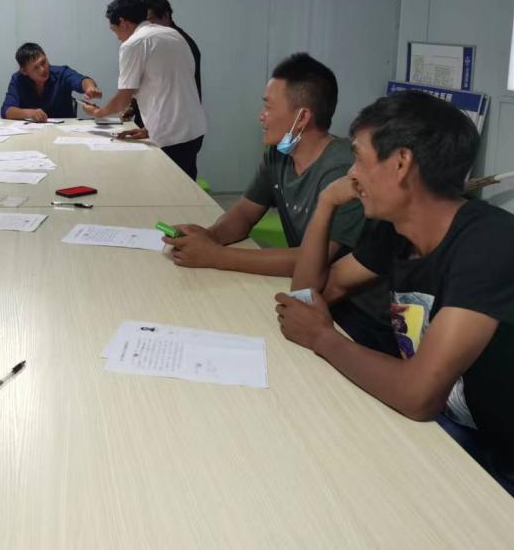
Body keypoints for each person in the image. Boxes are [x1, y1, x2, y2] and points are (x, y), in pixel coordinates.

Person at [275, 91, 514, 540]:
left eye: (359, 158)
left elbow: (418, 395)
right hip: (470, 432)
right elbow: (311, 295)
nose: (352, 174)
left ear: (400, 163)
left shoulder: (491, 245)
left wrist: (323, 338)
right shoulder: (397, 230)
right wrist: (326, 207)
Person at [165, 52, 394, 354]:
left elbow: (312, 260)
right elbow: (244, 214)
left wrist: (215, 256)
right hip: (309, 294)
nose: (261, 116)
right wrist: (209, 236)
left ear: (302, 117)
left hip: (353, 315)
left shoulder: (344, 172)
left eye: (268, 107)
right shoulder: (280, 154)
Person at [82, 0, 206, 179]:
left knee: (167, 190)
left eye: (114, 30)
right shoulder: (173, 34)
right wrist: (149, 129)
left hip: (170, 137)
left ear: (123, 22)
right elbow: (171, 86)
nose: (117, 37)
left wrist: (99, 113)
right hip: (194, 129)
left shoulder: (134, 44)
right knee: (185, 186)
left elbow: (123, 98)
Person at [123, 0, 202, 132]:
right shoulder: (153, 41)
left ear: (166, 16)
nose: (145, 25)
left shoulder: (178, 42)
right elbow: (148, 79)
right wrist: (133, 107)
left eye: (149, 20)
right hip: (154, 121)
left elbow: (171, 90)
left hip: (174, 126)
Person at [0, 42, 101, 122]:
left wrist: (90, 87)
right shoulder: (18, 79)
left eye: (43, 62)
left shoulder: (61, 73)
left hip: (64, 131)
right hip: (32, 133)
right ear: (24, 71)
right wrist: (29, 113)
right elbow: (7, 110)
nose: (43, 69)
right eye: (36, 68)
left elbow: (82, 80)